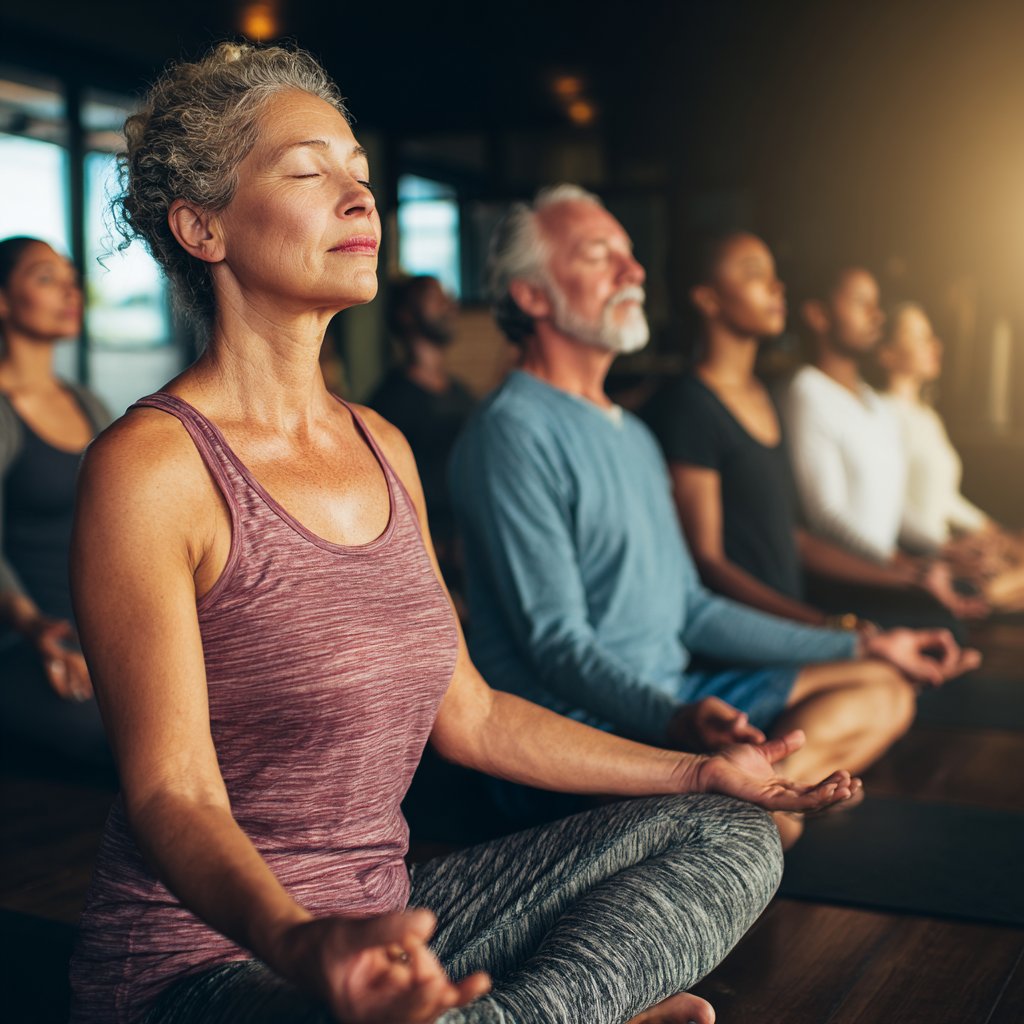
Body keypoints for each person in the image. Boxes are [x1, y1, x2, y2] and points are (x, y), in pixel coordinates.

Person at [67, 44, 861, 1024]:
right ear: (202, 226)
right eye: (310, 173)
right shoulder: (152, 466)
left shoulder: (385, 447)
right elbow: (173, 793)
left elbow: (473, 716)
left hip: (392, 926)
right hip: (207, 967)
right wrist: (299, 941)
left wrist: (695, 769)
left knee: (730, 830)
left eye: (361, 174)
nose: (360, 199)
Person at [450, 186, 979, 850]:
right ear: (531, 296)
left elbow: (692, 608)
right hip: (586, 737)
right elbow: (558, 646)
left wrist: (863, 642)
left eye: (631, 255)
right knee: (859, 706)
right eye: (599, 256)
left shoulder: (633, 435)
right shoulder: (512, 431)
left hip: (675, 699)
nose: (633, 271)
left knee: (886, 686)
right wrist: (673, 721)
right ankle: (740, 818)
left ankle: (744, 815)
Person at [653, 231, 987, 630]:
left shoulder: (763, 398)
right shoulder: (694, 405)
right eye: (754, 273)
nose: (776, 286)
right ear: (708, 299)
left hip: (798, 613)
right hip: (755, 628)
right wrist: (827, 627)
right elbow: (706, 562)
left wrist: (915, 572)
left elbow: (797, 539)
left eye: (775, 274)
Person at [779, 262, 986, 628]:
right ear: (818, 314)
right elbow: (825, 516)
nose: (876, 314)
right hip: (850, 585)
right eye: (861, 302)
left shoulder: (873, 402)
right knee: (955, 619)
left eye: (876, 303)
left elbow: (894, 503)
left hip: (890, 571)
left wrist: (943, 549)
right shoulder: (805, 391)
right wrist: (902, 565)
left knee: (976, 593)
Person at [0, 235, 111, 763]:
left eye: (71, 278)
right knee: (113, 730)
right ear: (2, 299)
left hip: (102, 630)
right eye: (46, 277)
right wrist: (33, 625)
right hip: (27, 638)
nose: (70, 290)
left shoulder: (87, 404)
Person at [877, 301, 1024, 610]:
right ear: (886, 353)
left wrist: (993, 531)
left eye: (931, 335)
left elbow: (944, 498)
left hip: (950, 545)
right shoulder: (882, 413)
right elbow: (894, 501)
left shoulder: (928, 418)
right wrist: (951, 549)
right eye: (918, 336)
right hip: (928, 555)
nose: (934, 345)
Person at [369, 276, 475, 596]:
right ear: (406, 315)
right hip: (427, 565)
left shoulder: (464, 395)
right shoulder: (386, 405)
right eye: (433, 297)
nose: (448, 304)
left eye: (448, 295)